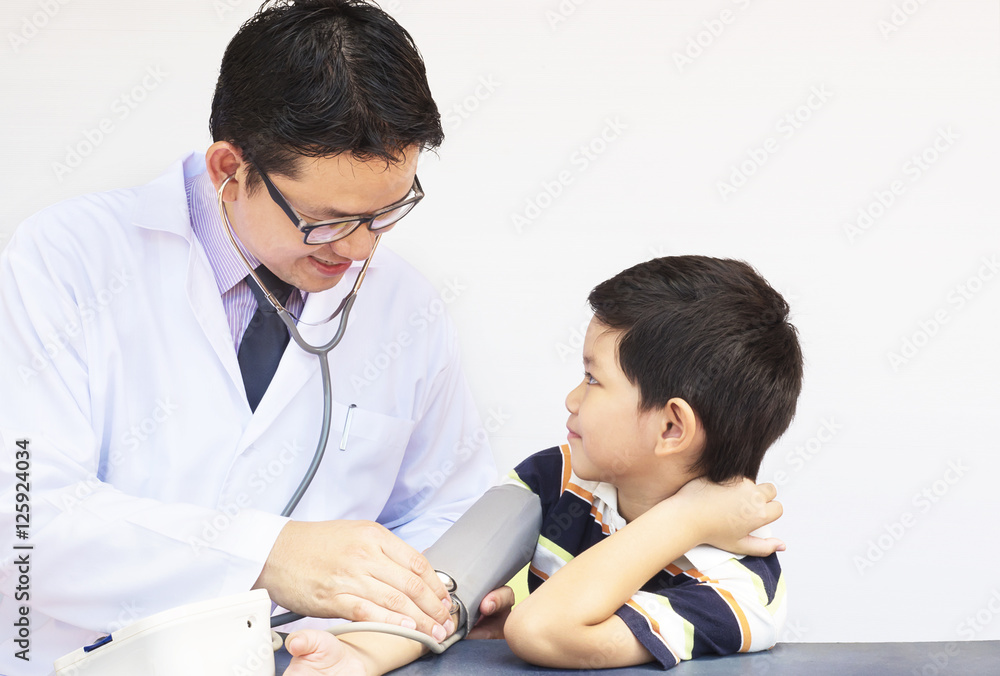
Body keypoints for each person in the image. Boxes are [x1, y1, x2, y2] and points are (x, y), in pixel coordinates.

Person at [0, 1, 506, 673]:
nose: (359, 249)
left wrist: (382, 635)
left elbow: (449, 512)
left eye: (386, 213)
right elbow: (30, 521)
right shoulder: (66, 260)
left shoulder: (405, 304)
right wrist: (267, 557)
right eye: (327, 220)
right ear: (228, 169)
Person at [278, 255, 803, 674]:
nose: (573, 399)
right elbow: (439, 593)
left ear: (671, 427)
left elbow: (542, 630)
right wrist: (359, 658)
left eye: (594, 379)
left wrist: (683, 519)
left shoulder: (739, 592)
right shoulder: (559, 476)